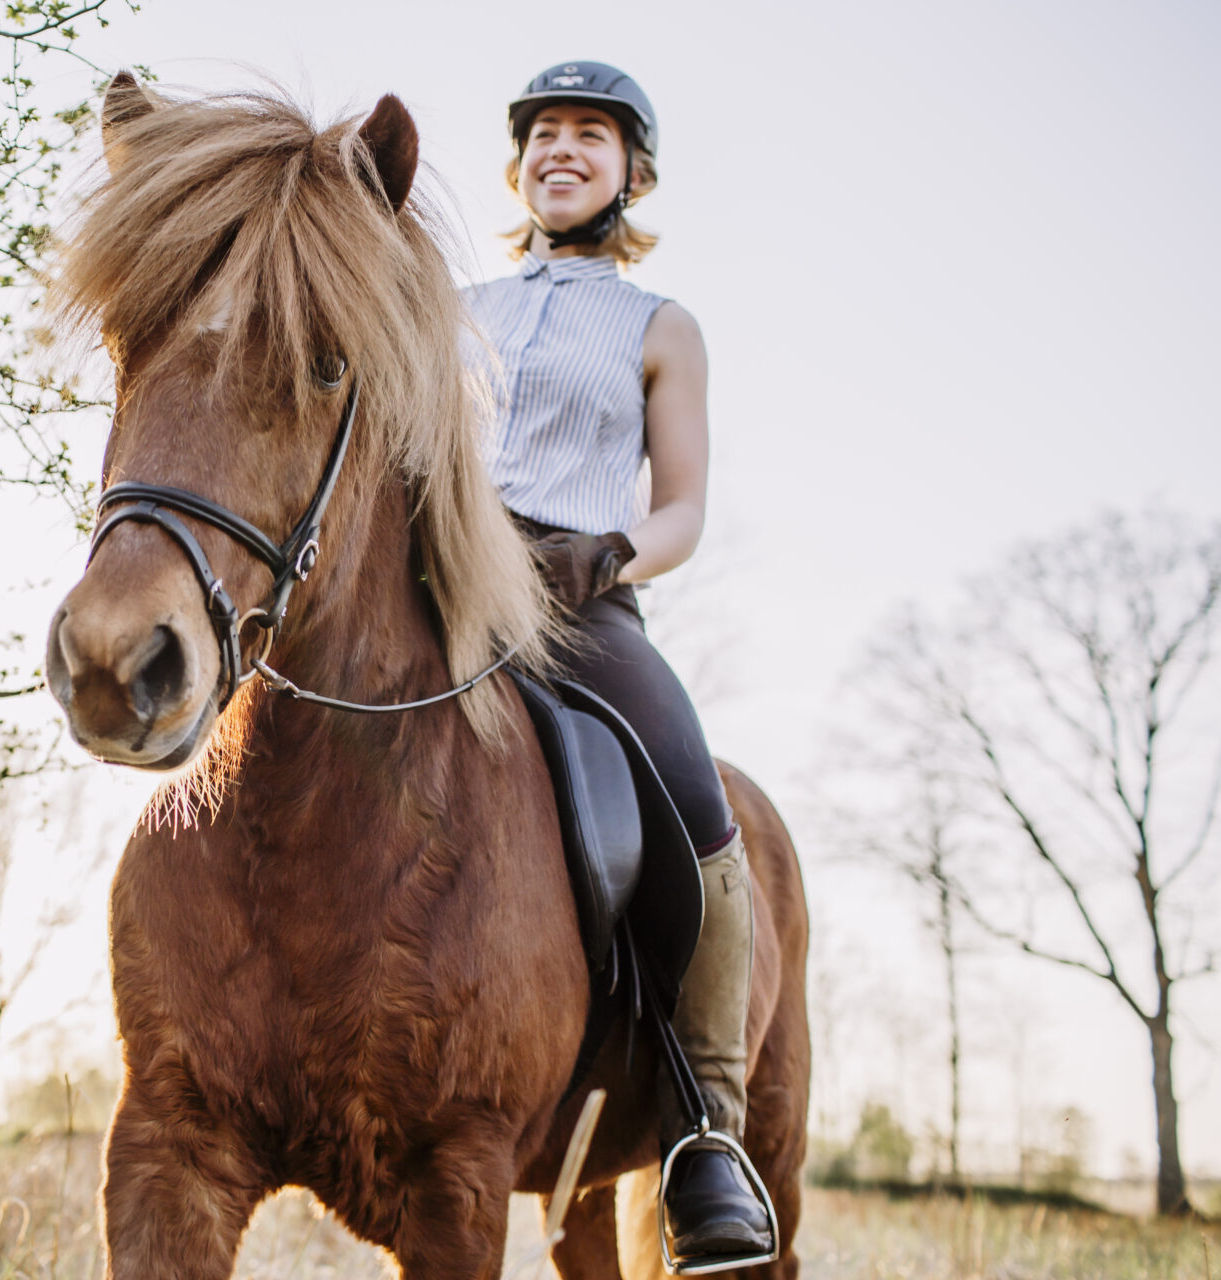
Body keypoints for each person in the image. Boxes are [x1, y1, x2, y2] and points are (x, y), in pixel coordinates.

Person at [463, 61, 774, 1270]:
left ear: (630, 171)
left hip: (575, 594)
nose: (562, 150)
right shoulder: (454, 306)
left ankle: (708, 1136)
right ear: (518, 166)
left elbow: (686, 507)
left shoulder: (662, 326)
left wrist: (610, 553)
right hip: (434, 582)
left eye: (589, 135)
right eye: (543, 134)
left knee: (699, 807)